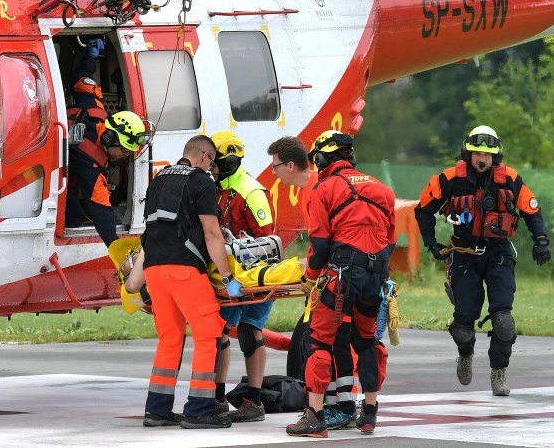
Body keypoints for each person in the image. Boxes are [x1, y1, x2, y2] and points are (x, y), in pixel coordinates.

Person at [414, 125, 552, 397]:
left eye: (487, 155)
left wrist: (541, 240)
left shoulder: (510, 178)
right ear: (468, 152)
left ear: (496, 156)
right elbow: (423, 211)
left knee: (504, 320)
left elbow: (531, 211)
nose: (481, 159)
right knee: (463, 326)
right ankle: (465, 354)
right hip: (464, 255)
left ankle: (498, 372)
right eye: (477, 153)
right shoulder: (449, 179)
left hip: (498, 254)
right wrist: (432, 245)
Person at [286, 131, 395, 438]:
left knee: (319, 341)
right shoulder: (382, 189)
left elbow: (320, 246)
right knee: (365, 341)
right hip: (376, 275)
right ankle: (369, 414)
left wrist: (311, 278)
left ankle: (315, 417)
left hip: (342, 274)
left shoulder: (323, 189)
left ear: (321, 159)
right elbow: (390, 240)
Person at [140, 135, 240, 430]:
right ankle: (199, 409)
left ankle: (157, 410)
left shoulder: (157, 180)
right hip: (183, 270)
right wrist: (228, 278)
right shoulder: (202, 182)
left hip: (154, 271)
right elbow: (211, 234)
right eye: (213, 163)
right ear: (206, 157)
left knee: (170, 337)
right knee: (208, 334)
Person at [209, 130, 275, 423]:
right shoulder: (218, 188)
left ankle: (254, 401)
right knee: (219, 330)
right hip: (229, 274)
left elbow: (267, 241)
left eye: (215, 161)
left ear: (228, 161)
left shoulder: (251, 191)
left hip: (254, 275)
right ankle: (218, 398)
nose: (211, 166)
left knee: (250, 332)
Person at [65, 37, 147, 247]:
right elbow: (101, 212)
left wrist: (91, 56)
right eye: (125, 150)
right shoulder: (92, 167)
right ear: (110, 138)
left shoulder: (95, 107)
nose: (126, 156)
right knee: (74, 214)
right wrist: (116, 248)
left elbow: (81, 78)